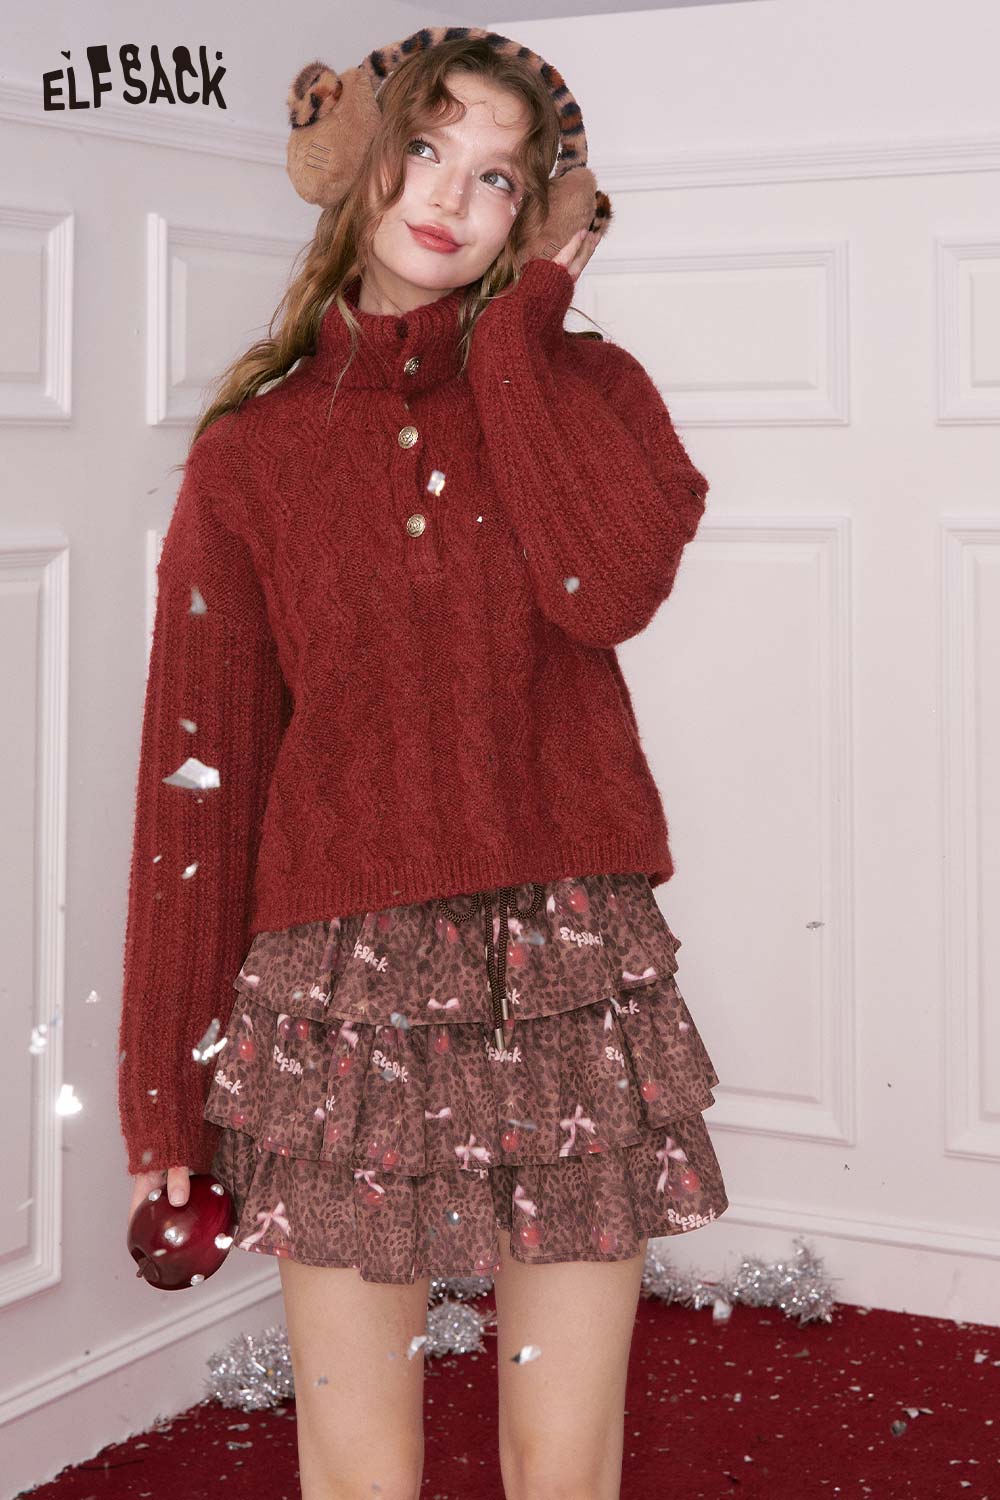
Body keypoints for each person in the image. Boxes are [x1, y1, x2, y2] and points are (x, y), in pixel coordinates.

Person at [120, 29, 728, 1500]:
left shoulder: (589, 389)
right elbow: (198, 780)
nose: (451, 197)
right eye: (428, 148)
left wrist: (519, 335)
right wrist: (162, 1091)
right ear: (362, 160)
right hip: (337, 997)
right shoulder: (253, 454)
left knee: (563, 1462)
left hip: (567, 970)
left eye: (500, 176)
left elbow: (602, 588)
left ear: (539, 215)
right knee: (359, 1467)